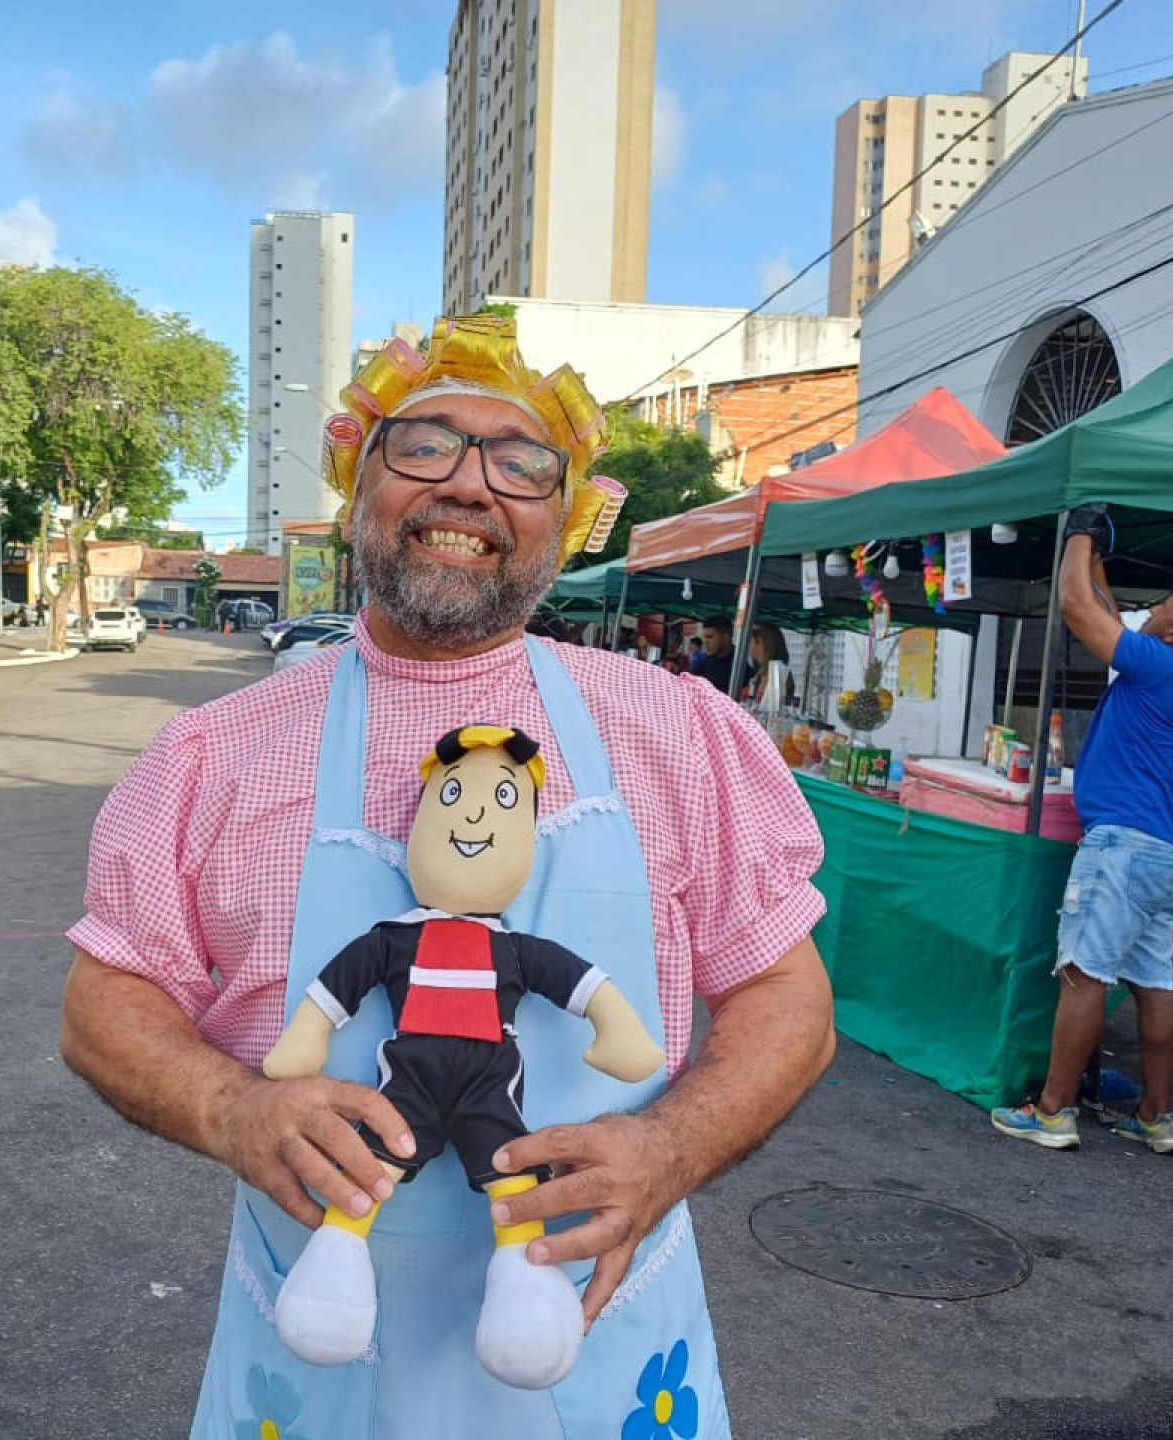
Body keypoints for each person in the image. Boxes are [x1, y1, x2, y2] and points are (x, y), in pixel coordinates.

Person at [60, 314, 835, 1438]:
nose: (469, 485)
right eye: (424, 445)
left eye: (521, 464)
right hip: (313, 1355)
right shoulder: (211, 754)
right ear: (355, 488)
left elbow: (785, 994)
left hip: (605, 1361)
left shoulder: (676, 730)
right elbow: (105, 1000)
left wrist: (669, 1149)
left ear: (566, 522)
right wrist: (233, 1108)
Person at [990, 505, 1173, 1157]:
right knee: (1155, 981)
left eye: (1160, 607)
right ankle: (1157, 1117)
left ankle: (1052, 1112)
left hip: (1121, 847)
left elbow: (1078, 608)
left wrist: (1076, 532)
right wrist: (1095, 553)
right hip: (1165, 852)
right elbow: (1101, 604)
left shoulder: (1158, 666)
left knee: (1083, 972)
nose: (1147, 610)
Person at [738, 622, 796, 709]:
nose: (749, 646)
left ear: (762, 643)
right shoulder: (759, 673)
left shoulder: (780, 673)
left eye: (751, 641)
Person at [696, 615, 737, 695]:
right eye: (704, 637)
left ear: (726, 637)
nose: (705, 642)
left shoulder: (738, 667)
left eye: (710, 637)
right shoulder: (704, 663)